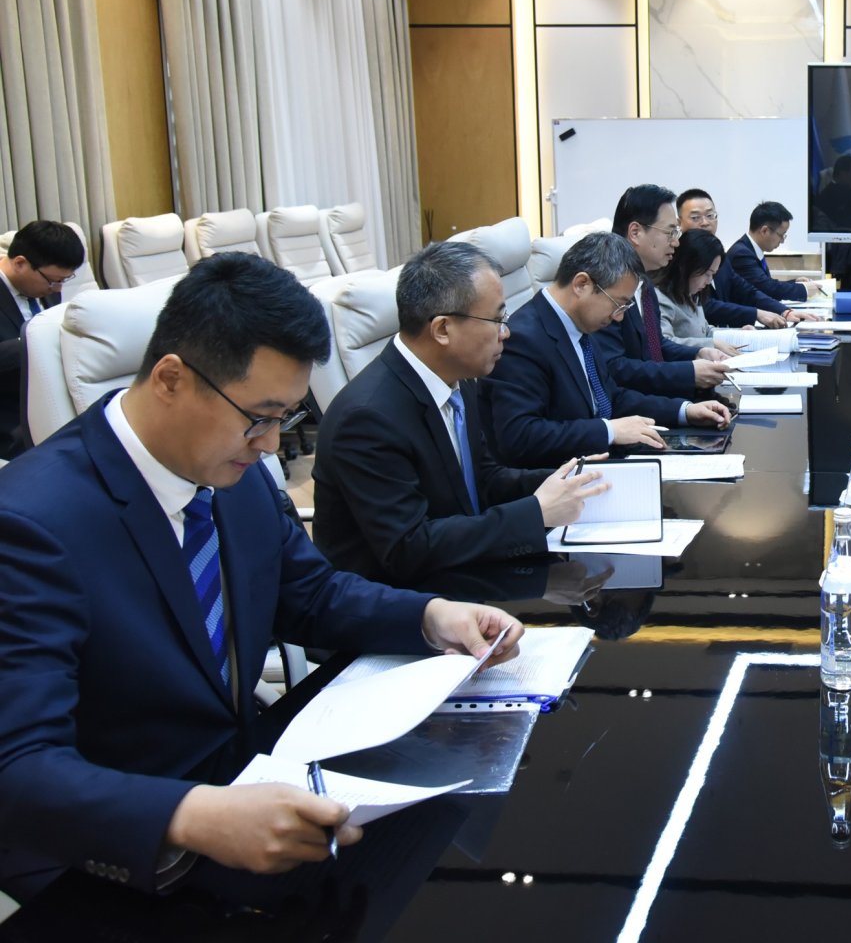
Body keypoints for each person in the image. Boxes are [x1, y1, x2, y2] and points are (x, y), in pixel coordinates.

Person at [0, 253, 523, 897]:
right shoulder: (29, 525)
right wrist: (190, 815)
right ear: (170, 379)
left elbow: (308, 593)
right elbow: (20, 767)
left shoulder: (228, 470)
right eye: (260, 416)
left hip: (248, 781)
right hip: (117, 854)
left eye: (285, 418)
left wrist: (429, 615)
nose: (273, 445)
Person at [313, 242, 610, 583]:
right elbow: (408, 548)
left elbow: (483, 479)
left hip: (462, 570)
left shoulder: (459, 380)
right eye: (496, 319)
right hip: (399, 597)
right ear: (442, 329)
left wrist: (567, 480)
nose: (506, 332)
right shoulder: (367, 419)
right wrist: (536, 513)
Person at [483, 232, 730, 467]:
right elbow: (520, 436)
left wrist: (685, 411)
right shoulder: (522, 339)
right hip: (564, 477)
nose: (619, 318)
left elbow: (612, 398)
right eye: (618, 304)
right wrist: (608, 430)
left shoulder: (580, 327)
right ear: (581, 284)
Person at [597, 184, 733, 398]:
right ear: (635, 232)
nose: (676, 242)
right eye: (670, 232)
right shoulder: (605, 287)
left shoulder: (644, 283)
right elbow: (615, 368)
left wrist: (698, 353)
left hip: (656, 396)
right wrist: (688, 373)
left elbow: (656, 345)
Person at [0, 220, 85, 457]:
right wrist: (35, 341)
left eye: (64, 280)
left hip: (53, 395)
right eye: (53, 280)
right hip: (10, 412)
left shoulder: (45, 287)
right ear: (20, 263)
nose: (58, 289)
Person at [676, 187, 807, 327]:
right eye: (695, 217)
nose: (705, 222)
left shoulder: (718, 256)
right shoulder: (676, 259)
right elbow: (705, 306)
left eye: (710, 215)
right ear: (679, 223)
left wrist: (784, 311)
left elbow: (746, 291)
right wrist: (756, 314)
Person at [728, 201, 824, 303]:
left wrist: (795, 283)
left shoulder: (750, 249)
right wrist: (803, 289)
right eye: (781, 235)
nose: (782, 241)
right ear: (764, 231)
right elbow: (767, 288)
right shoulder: (742, 254)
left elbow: (766, 284)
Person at [656, 228, 730, 349]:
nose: (709, 281)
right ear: (687, 266)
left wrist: (738, 333)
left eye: (713, 274)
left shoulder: (692, 293)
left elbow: (705, 331)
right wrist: (710, 344)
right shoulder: (661, 299)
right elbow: (665, 343)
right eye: (707, 273)